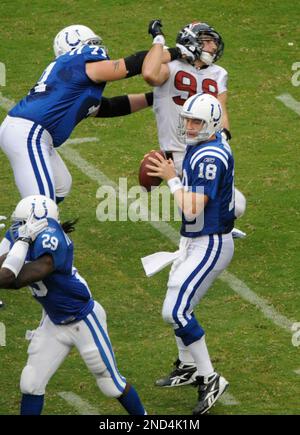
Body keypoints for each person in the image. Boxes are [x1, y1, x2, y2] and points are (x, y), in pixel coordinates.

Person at [0, 24, 181, 203]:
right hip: (29, 132)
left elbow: (111, 106)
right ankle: (36, 227)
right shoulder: (77, 61)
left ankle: (29, 228)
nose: (96, 48)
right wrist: (175, 52)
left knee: (60, 186)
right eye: (91, 43)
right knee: (41, 206)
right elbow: (127, 66)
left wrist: (155, 97)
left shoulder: (72, 84)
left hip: (30, 131)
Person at [0, 195, 147, 415]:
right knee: (31, 383)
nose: (19, 228)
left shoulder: (52, 240)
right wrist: (19, 242)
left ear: (39, 221)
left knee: (110, 384)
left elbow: (10, 279)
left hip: (83, 318)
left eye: (23, 223)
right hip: (53, 320)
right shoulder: (22, 233)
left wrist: (20, 244)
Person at [142, 93, 235, 415]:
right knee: (179, 303)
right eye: (187, 120)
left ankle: (210, 377)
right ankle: (187, 365)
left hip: (209, 243)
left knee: (176, 311)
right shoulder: (206, 146)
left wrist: (171, 180)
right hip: (197, 239)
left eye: (196, 121)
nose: (189, 126)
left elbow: (193, 206)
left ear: (210, 124)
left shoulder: (210, 157)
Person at [143, 20, 246, 220]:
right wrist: (167, 46)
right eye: (207, 41)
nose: (213, 47)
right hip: (178, 151)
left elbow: (221, 108)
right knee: (202, 208)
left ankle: (216, 229)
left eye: (213, 42)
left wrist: (223, 137)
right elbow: (149, 73)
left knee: (227, 205)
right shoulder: (169, 65)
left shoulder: (218, 73)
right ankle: (210, 234)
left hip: (206, 146)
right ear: (191, 41)